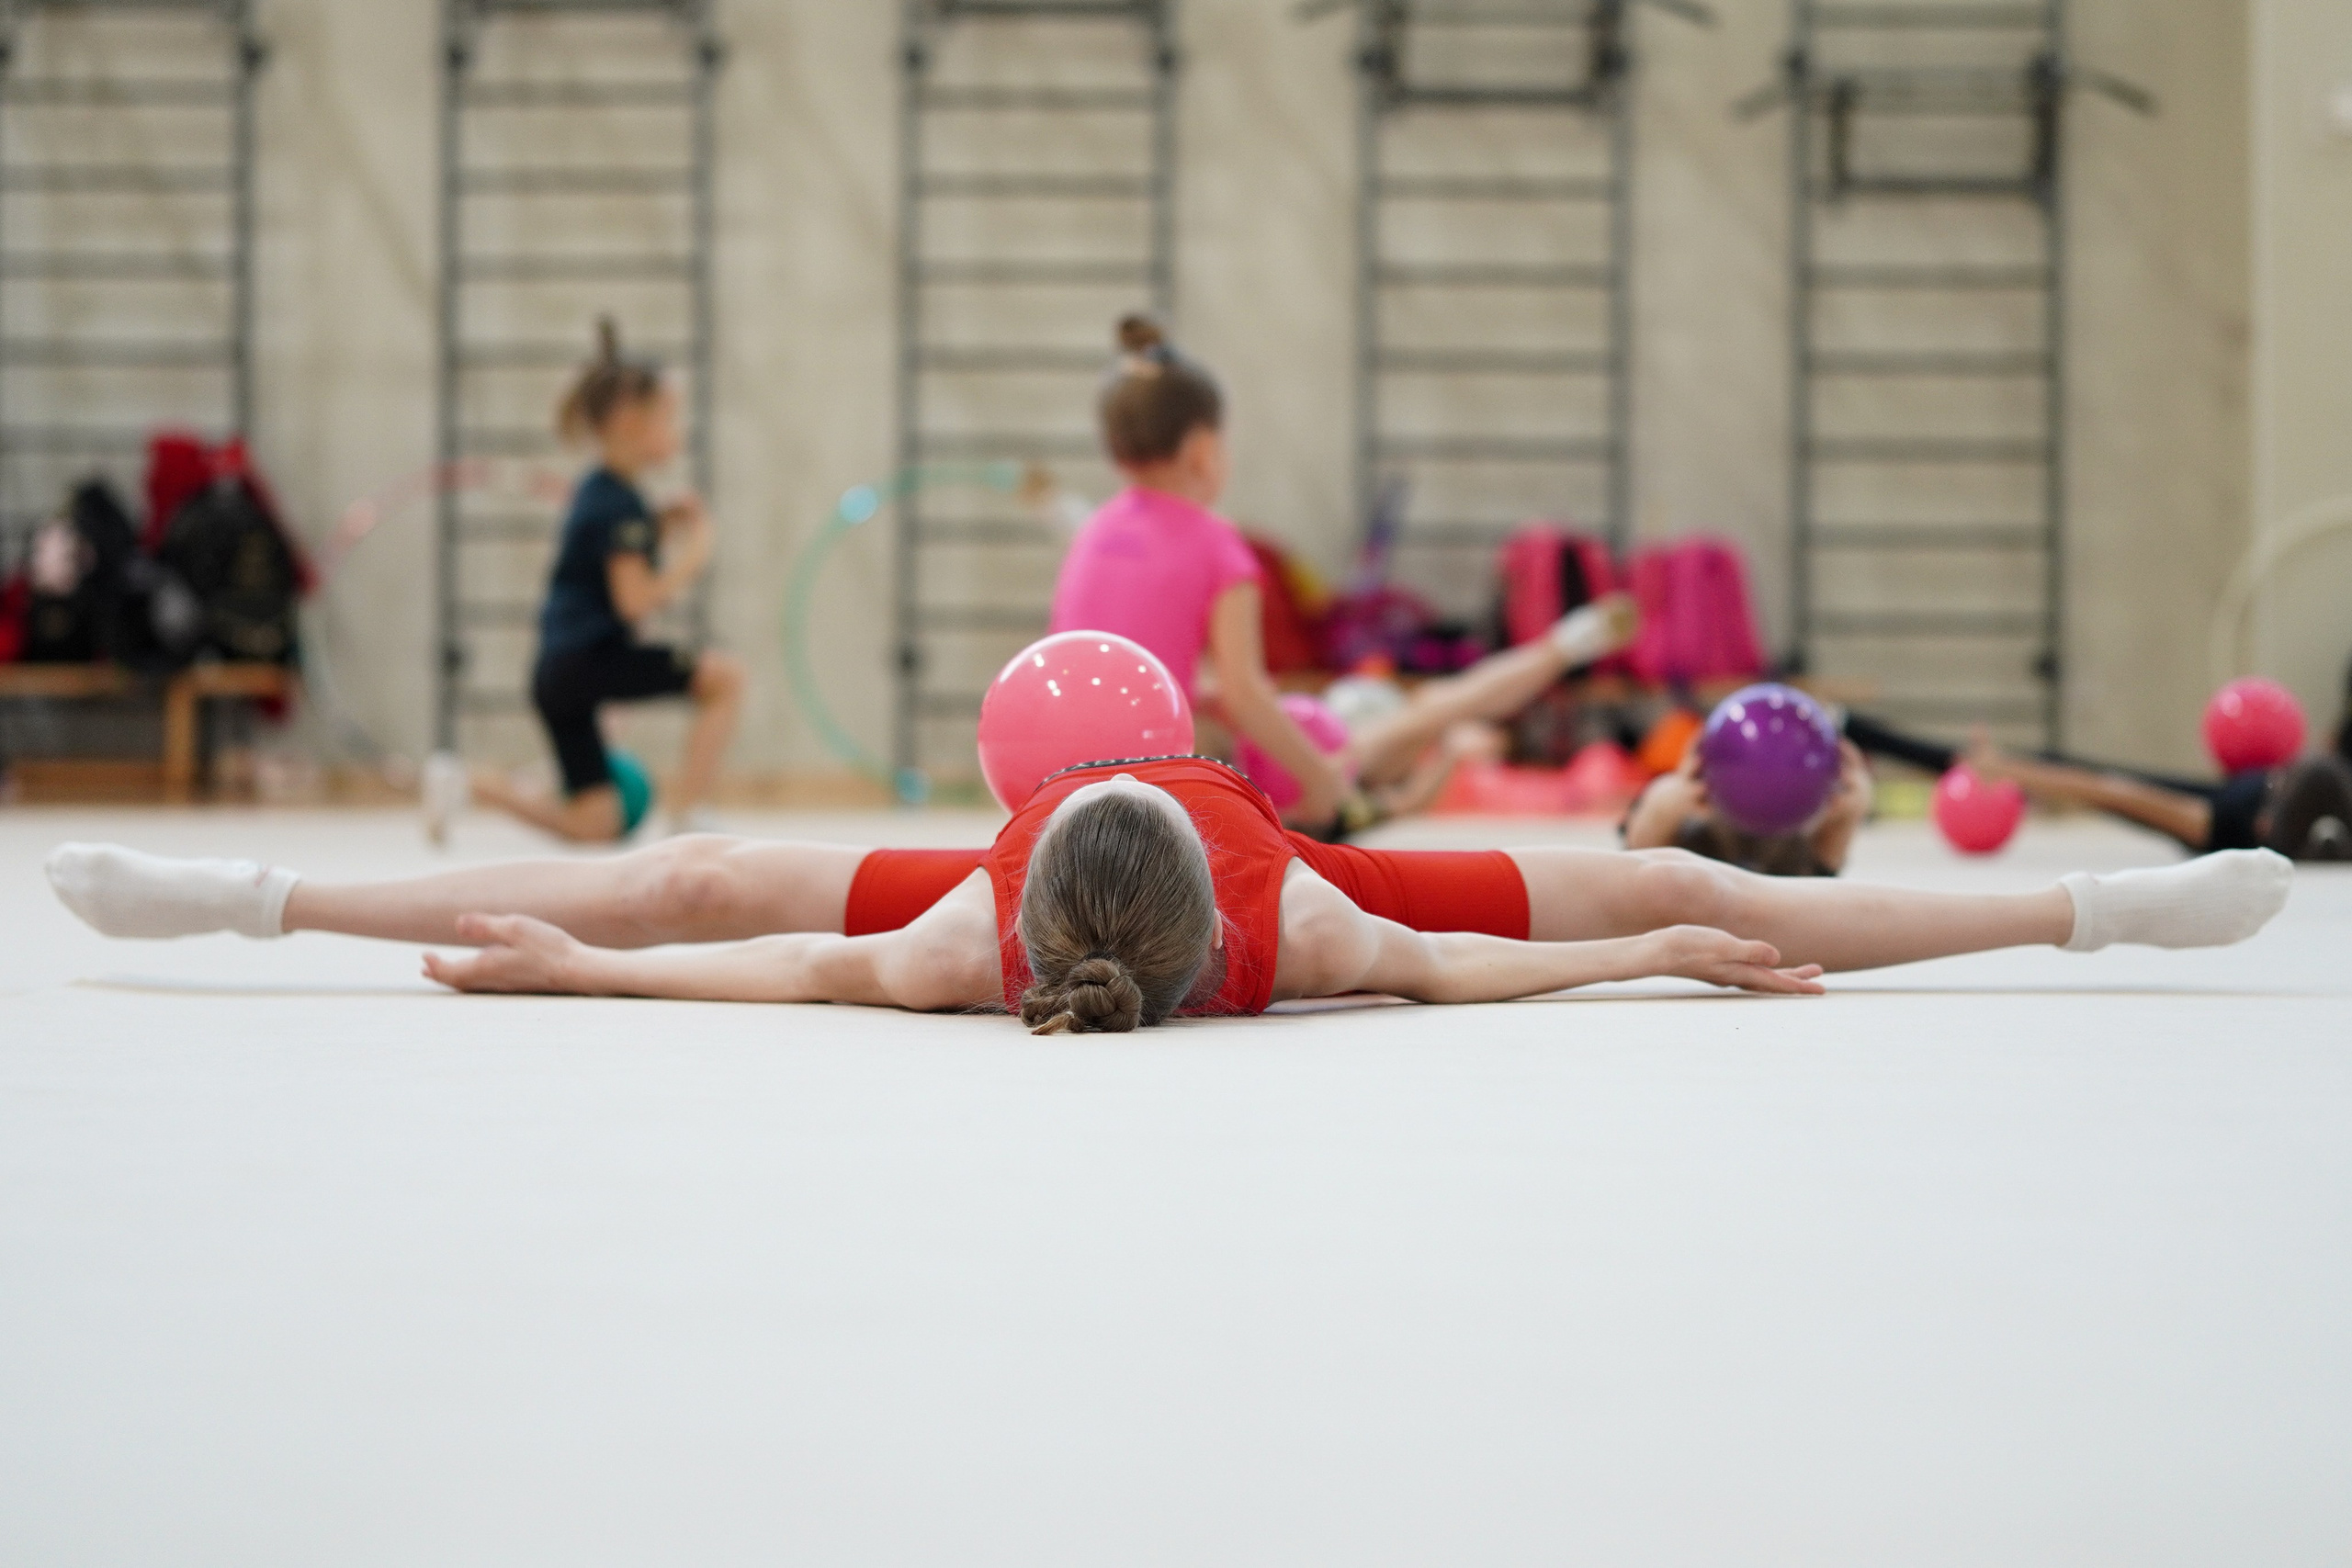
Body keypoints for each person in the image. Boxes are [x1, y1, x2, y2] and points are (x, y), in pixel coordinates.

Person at [46, 755, 2292, 1030]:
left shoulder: (953, 946)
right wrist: (1661, 936)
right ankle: (251, 892)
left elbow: (791, 966)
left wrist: (587, 981)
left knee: (682, 885)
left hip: (1283, 827)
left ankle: (2105, 908)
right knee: (681, 859)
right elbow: (1457, 968)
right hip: (1278, 853)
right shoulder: (1297, 938)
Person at [1047, 314, 1637, 833]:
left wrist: (1204, 699)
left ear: (1113, 450)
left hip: (1078, 784)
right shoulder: (1217, 544)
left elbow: (1105, 674)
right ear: (1203, 449)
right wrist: (1322, 784)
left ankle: (1554, 655)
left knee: (1410, 725)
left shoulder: (1092, 534)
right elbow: (1246, 697)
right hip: (1193, 795)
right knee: (1429, 712)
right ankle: (1560, 649)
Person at [424, 318, 745, 845]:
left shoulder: (607, 494)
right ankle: (689, 814)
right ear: (628, 422)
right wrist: (697, 551)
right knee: (724, 677)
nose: (677, 433)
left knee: (595, 824)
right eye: (668, 419)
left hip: (560, 675)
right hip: (590, 665)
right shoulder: (618, 504)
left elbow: (612, 555)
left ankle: (466, 785)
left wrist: (660, 523)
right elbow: (635, 601)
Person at [1623, 709, 2352, 872]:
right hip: (1724, 825)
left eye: (2287, 784)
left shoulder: (2226, 820)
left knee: (2051, 761)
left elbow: (2108, 788)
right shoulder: (2240, 803)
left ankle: (1858, 727)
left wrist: (2013, 771)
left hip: (1731, 832)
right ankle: (1858, 728)